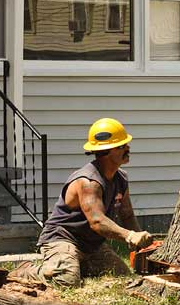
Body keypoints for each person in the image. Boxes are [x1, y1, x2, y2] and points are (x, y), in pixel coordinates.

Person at [13, 118, 153, 287]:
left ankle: (77, 265)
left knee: (121, 275)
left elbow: (127, 214)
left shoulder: (121, 178)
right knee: (66, 281)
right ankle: (27, 271)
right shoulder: (88, 182)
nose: (128, 148)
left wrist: (141, 245)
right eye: (121, 146)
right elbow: (97, 221)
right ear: (105, 152)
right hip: (62, 239)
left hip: (90, 245)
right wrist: (130, 236)